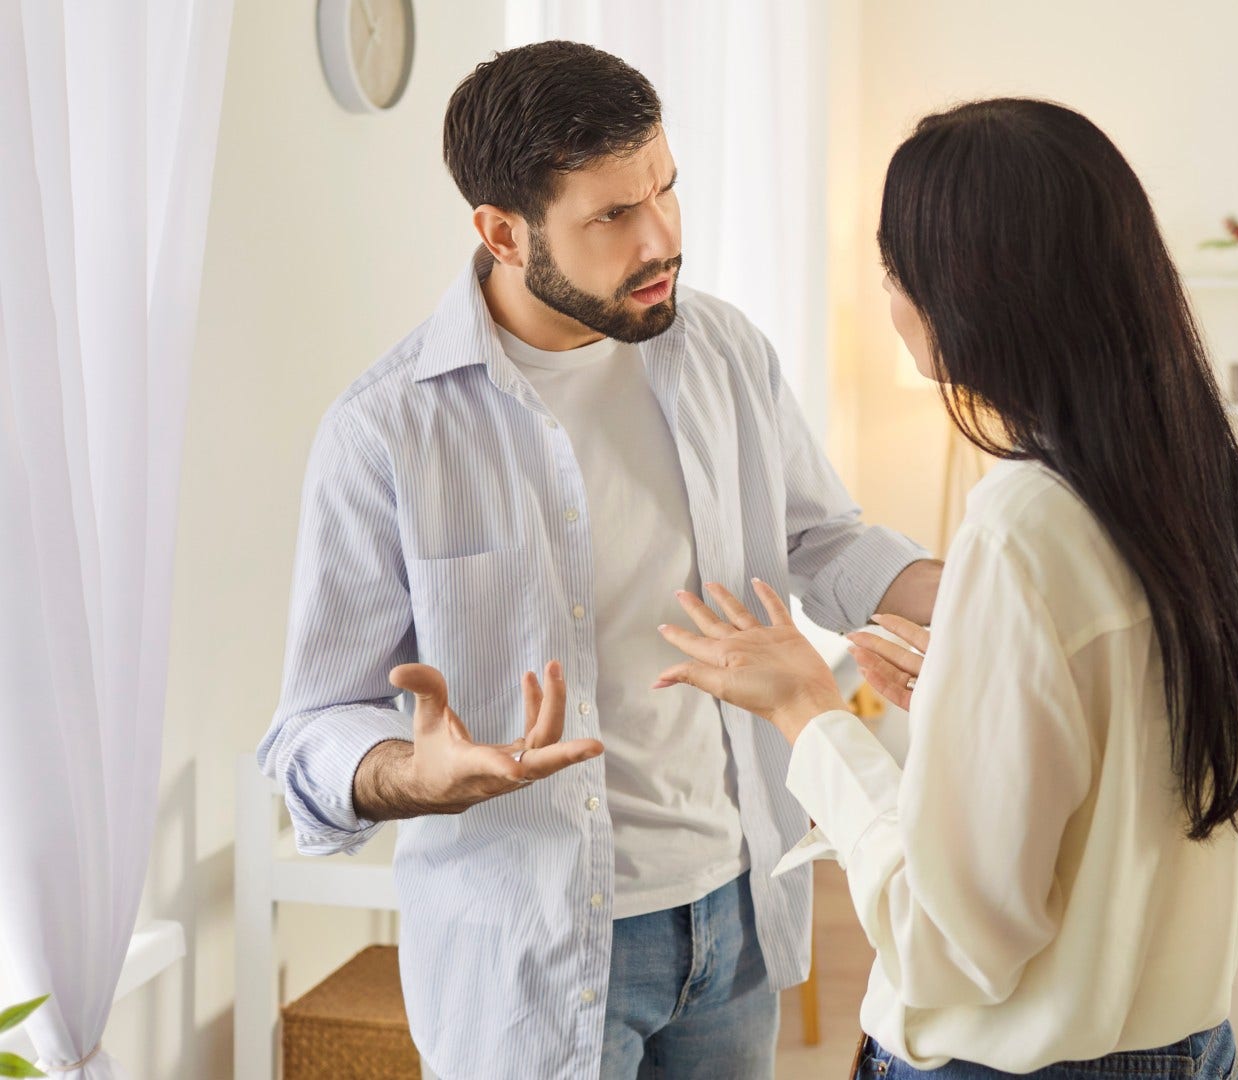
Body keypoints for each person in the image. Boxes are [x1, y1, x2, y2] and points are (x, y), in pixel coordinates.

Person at [256, 41, 940, 1080]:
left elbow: (823, 540)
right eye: (612, 217)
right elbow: (312, 726)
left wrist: (1000, 593)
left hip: (736, 912)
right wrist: (410, 772)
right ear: (500, 230)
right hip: (531, 955)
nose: (662, 236)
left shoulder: (724, 351)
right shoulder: (386, 432)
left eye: (665, 190)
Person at [654, 98, 1238, 1079]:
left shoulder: (1022, 527)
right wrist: (978, 708)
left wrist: (808, 711)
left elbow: (946, 942)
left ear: (960, 297)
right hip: (1199, 1047)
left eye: (893, 273)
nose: (888, 299)